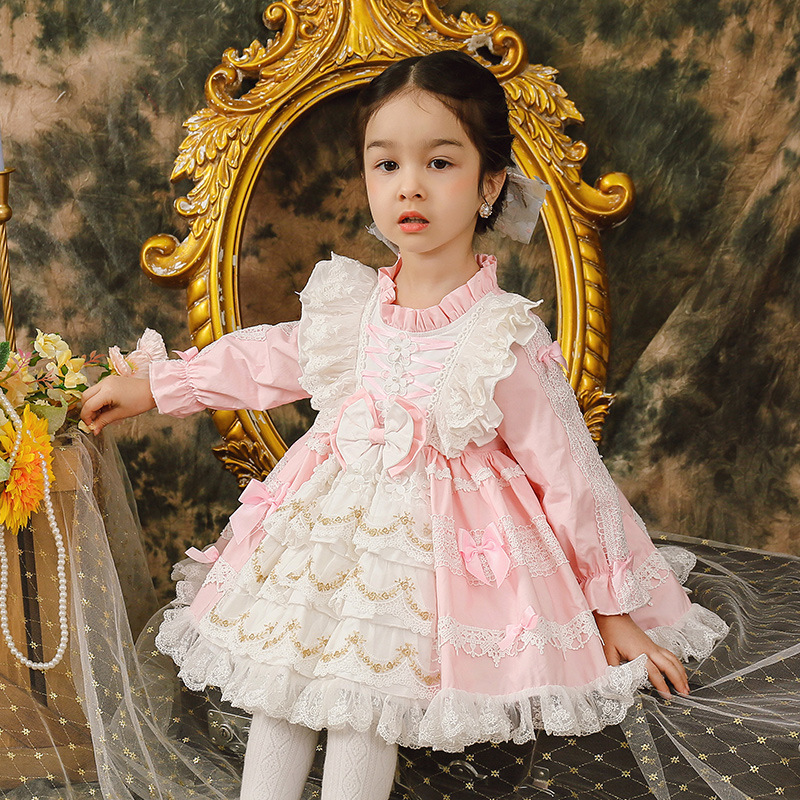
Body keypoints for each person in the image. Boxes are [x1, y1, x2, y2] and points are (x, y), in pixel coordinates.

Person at [81, 50, 728, 800]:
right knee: (282, 693)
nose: (409, 186)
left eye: (440, 163)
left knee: (366, 707)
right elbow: (268, 358)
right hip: (333, 542)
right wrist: (156, 386)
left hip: (440, 566)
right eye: (386, 164)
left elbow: (569, 476)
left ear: (490, 184)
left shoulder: (501, 336)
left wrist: (611, 609)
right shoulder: (352, 309)